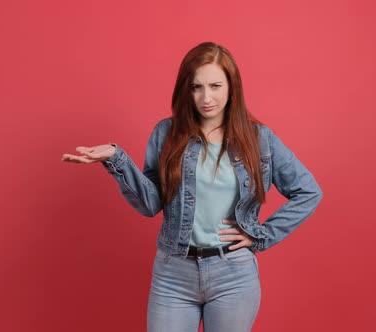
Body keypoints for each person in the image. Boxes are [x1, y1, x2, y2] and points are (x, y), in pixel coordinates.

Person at [62, 42, 323, 332]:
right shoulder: (167, 133)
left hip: (233, 275)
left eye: (215, 85)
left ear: (232, 87)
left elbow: (308, 191)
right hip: (173, 273)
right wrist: (117, 159)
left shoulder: (260, 139)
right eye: (196, 87)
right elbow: (150, 205)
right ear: (186, 89)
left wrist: (260, 236)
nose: (206, 97)